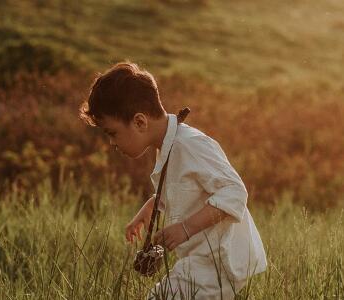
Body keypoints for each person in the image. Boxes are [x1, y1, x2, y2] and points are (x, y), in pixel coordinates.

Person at [79, 61, 267, 299]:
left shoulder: (189, 145)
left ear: (139, 122)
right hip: (201, 261)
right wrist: (152, 205)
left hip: (219, 262)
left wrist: (186, 228)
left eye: (112, 133)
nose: (112, 143)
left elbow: (234, 193)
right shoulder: (169, 145)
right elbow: (187, 188)